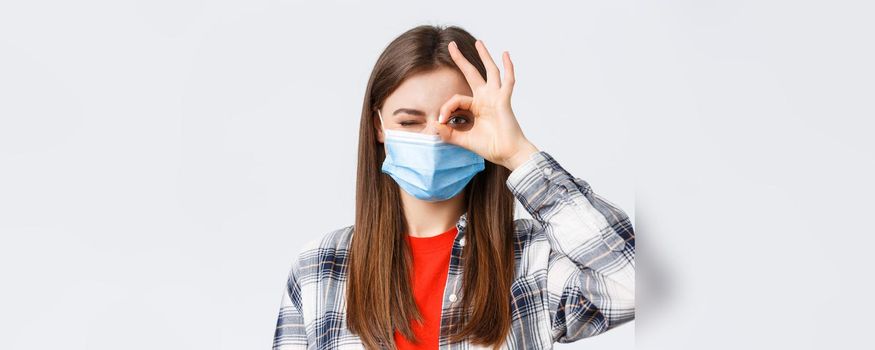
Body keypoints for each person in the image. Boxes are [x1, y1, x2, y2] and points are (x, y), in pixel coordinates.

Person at [272, 24, 635, 350]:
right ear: (378, 127)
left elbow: (637, 284)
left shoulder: (532, 261)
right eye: (410, 122)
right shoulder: (320, 267)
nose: (434, 135)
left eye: (457, 119)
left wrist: (517, 153)